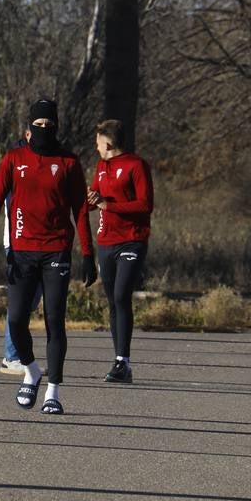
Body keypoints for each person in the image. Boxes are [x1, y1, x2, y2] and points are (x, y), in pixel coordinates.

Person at [0, 98, 94, 415]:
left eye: (49, 126)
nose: (43, 131)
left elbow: (80, 209)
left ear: (55, 128)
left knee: (54, 319)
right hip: (22, 250)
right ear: (28, 130)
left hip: (56, 249)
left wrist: (89, 253)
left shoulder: (68, 162)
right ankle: (31, 370)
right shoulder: (14, 159)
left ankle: (53, 390)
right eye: (38, 126)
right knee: (16, 320)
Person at [87, 119, 153, 384]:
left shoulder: (136, 166)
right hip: (106, 241)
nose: (96, 147)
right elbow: (96, 198)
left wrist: (108, 205)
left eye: (98, 142)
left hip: (132, 241)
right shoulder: (101, 167)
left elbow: (145, 204)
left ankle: (122, 361)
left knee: (121, 295)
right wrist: (91, 200)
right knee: (113, 301)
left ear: (109, 142)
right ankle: (119, 362)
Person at [0, 131, 43, 376]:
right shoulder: (16, 168)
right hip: (18, 244)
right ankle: (12, 355)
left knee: (28, 302)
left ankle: (15, 354)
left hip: (38, 245)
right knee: (21, 303)